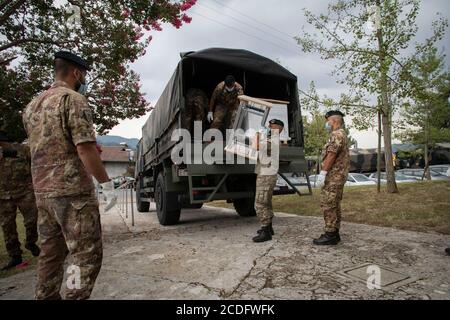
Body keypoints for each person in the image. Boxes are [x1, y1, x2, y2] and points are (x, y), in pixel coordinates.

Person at [22, 50, 117, 300]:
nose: (84, 78)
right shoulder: (73, 100)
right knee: (84, 255)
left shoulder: (32, 107)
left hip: (43, 194)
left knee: (50, 254)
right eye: (83, 74)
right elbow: (85, 148)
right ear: (76, 72)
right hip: (72, 194)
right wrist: (106, 184)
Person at [0, 130, 40, 270]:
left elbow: (36, 163)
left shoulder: (23, 150)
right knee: (8, 227)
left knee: (32, 220)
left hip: (25, 192)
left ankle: (30, 242)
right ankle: (15, 256)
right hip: (3, 196)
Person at [313, 110, 349, 246]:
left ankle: (330, 234)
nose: (326, 124)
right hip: (338, 176)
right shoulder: (342, 134)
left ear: (333, 121)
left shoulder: (336, 134)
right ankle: (334, 232)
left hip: (333, 176)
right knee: (334, 204)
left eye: (327, 121)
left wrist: (323, 173)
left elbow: (331, 155)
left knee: (328, 204)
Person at [252, 119, 284, 243]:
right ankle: (269, 228)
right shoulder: (271, 140)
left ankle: (265, 231)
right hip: (266, 174)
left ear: (277, 128)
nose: (268, 127)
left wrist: (258, 134)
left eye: (271, 126)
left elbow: (255, 146)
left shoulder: (273, 141)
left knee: (260, 203)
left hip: (266, 176)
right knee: (267, 202)